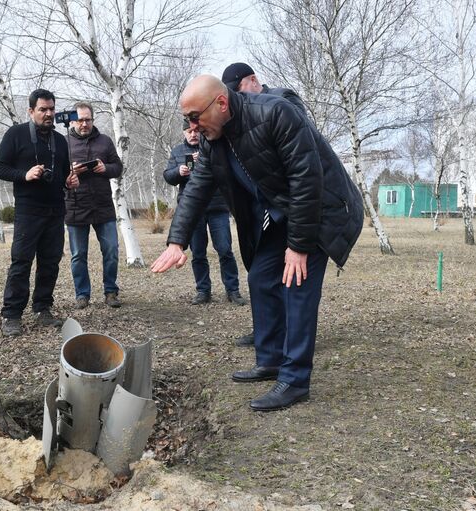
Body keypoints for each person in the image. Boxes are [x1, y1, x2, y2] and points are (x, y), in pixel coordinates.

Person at [151, 75, 363, 411]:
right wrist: (177, 242)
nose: (192, 126)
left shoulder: (276, 113)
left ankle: (294, 381)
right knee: (262, 276)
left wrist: (299, 245)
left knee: (297, 285)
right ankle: (271, 360)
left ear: (221, 103)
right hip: (282, 213)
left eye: (195, 117)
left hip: (321, 211)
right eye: (186, 119)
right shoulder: (212, 139)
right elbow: (196, 190)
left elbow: (307, 180)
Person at [222, 63, 307, 347]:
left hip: (292, 206)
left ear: (253, 81)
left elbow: (300, 160)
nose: (235, 99)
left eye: (238, 91)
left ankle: (293, 336)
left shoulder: (284, 102)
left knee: (292, 277)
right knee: (260, 276)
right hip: (264, 209)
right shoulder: (237, 121)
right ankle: (267, 333)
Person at [0, 89, 78, 336]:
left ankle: (43, 309)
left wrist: (68, 182)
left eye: (51, 108)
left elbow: (62, 174)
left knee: (50, 262)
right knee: (21, 262)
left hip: (55, 210)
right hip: (28, 210)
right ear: (31, 111)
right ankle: (11, 314)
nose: (48, 113)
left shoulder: (60, 140)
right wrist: (24, 174)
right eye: (43, 109)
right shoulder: (16, 134)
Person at [164, 120, 247, 306]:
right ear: (184, 133)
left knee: (225, 250)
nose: (193, 135)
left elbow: (228, 172)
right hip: (193, 212)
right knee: (198, 253)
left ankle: (233, 290)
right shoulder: (177, 152)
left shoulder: (213, 146)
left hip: (218, 207)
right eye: (188, 131)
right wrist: (179, 171)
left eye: (195, 131)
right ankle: (203, 291)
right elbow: (168, 176)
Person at [65, 102, 123, 309]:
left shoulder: (105, 142)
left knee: (111, 250)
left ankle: (110, 292)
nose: (84, 124)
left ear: (92, 119)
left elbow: (118, 168)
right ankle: (82, 294)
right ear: (72, 121)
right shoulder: (63, 143)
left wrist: (104, 168)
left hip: (103, 206)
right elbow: (55, 175)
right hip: (75, 206)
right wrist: (69, 171)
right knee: (78, 255)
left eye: (87, 119)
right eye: (80, 120)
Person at [221, 62, 307, 114]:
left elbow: (304, 132)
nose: (236, 94)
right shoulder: (238, 113)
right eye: (231, 92)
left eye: (238, 88)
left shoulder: (284, 96)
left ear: (253, 80)